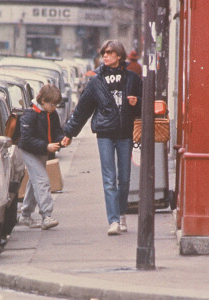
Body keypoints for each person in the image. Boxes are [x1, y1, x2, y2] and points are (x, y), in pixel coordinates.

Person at [62, 40, 142, 236]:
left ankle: (122, 213)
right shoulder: (95, 81)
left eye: (109, 52)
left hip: (125, 133)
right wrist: (68, 133)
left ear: (119, 56)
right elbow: (82, 110)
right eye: (103, 53)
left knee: (124, 178)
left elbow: (146, 106)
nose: (105, 56)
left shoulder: (133, 78)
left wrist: (137, 102)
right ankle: (113, 220)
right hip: (105, 134)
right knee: (109, 179)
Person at [18, 84, 65, 230]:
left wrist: (61, 139)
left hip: (42, 150)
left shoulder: (51, 113)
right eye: (52, 104)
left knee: (35, 182)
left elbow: (57, 130)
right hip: (29, 151)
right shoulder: (30, 114)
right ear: (43, 100)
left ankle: (25, 215)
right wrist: (46, 146)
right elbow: (25, 140)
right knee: (42, 181)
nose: (54, 107)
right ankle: (46, 216)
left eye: (56, 104)